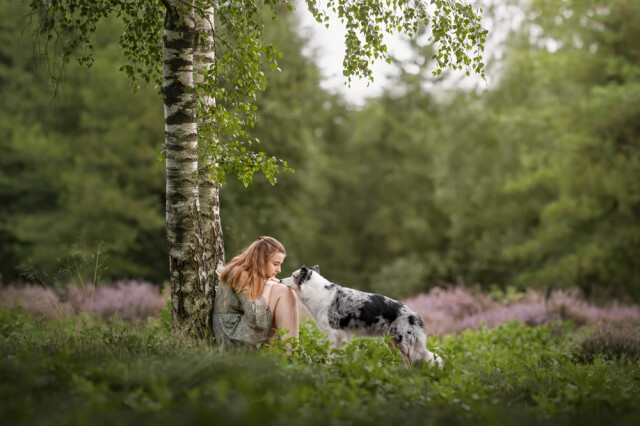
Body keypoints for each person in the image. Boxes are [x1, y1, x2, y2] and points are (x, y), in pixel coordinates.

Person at [212, 236, 299, 349]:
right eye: (275, 264)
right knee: (281, 290)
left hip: (245, 328)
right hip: (232, 336)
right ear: (261, 260)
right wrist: (268, 285)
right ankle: (289, 356)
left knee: (290, 292)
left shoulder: (255, 275)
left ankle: (294, 350)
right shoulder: (239, 273)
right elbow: (256, 316)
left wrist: (268, 283)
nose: (279, 270)